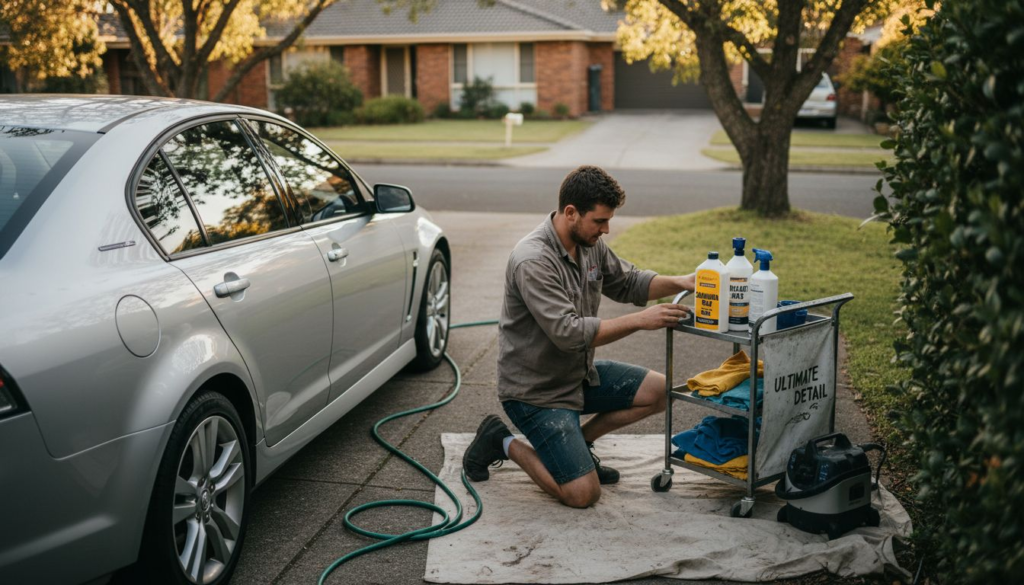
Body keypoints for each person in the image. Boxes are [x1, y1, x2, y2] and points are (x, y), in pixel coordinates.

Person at [463, 165, 695, 508]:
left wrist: (684, 281)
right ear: (571, 212)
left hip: (577, 376)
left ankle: (578, 449)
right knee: (582, 494)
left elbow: (630, 282)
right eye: (600, 221)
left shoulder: (589, 245)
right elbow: (569, 334)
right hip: (536, 392)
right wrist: (641, 320)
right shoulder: (533, 260)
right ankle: (500, 441)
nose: (606, 229)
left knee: (663, 390)